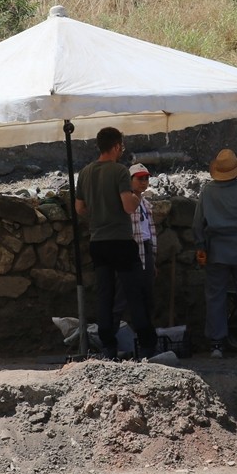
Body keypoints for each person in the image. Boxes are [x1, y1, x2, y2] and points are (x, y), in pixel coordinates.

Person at [74, 127, 156, 360]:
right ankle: (148, 345)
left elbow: (79, 208)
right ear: (117, 146)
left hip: (97, 241)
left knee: (105, 295)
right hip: (120, 240)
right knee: (134, 293)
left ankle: (108, 346)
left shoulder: (86, 172)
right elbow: (128, 206)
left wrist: (99, 212)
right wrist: (137, 195)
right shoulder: (120, 171)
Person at [193, 148, 237, 358]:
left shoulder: (207, 191)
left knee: (216, 297)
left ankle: (216, 345)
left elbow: (198, 224)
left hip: (217, 251)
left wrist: (201, 247)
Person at [112, 163, 158, 352]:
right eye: (139, 178)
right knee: (122, 298)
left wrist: (152, 260)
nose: (144, 182)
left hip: (145, 251)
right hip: (129, 252)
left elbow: (150, 233)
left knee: (146, 298)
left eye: (146, 178)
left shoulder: (146, 204)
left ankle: (146, 344)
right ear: (129, 181)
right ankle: (110, 341)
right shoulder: (125, 203)